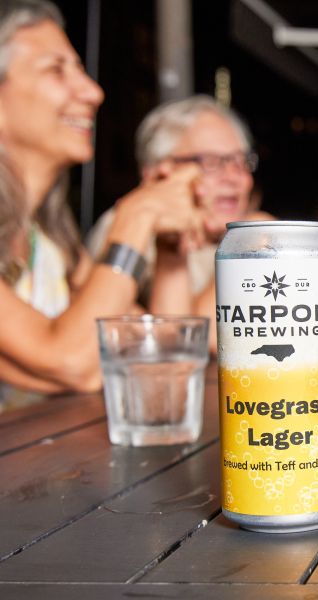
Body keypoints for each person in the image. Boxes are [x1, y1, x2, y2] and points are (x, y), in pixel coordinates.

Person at [0, 0, 205, 396]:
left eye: (81, 70)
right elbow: (72, 362)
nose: (93, 92)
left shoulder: (50, 243)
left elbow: (156, 353)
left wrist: (170, 249)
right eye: (57, 70)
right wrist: (138, 213)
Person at [87, 95, 269, 352]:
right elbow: (195, 340)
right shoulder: (124, 232)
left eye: (241, 162)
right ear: (158, 173)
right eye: (211, 163)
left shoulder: (236, 231)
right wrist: (249, 241)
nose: (235, 178)